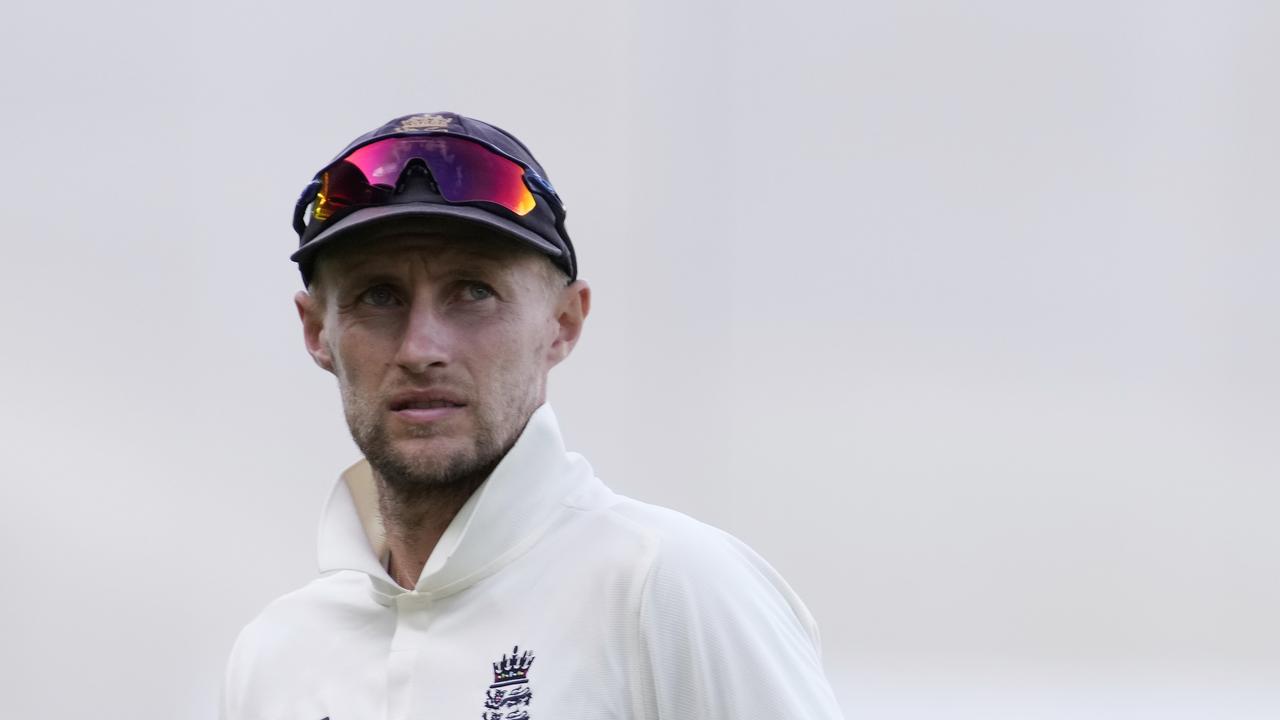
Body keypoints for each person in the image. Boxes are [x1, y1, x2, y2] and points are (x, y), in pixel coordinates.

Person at [220, 112, 845, 720]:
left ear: (564, 323)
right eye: (378, 296)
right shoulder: (275, 655)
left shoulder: (667, 586)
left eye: (474, 292)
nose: (420, 349)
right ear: (316, 331)